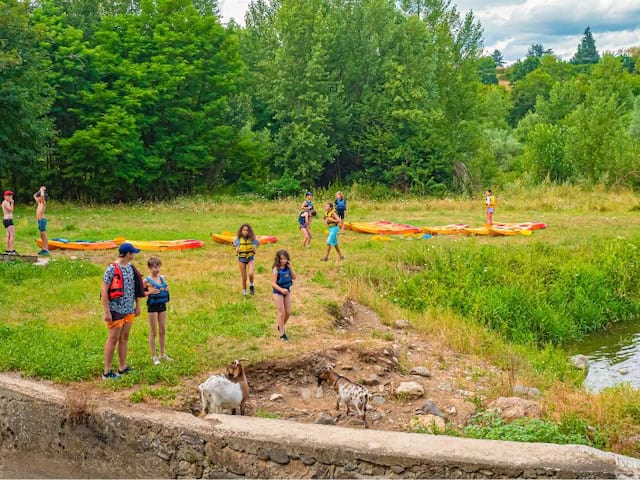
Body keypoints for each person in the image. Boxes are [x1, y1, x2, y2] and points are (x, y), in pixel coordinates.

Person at [100, 242, 145, 380]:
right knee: (113, 339)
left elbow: (137, 287)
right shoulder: (111, 269)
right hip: (115, 310)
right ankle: (107, 372)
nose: (134, 255)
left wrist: (137, 305)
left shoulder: (131, 267)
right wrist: (107, 312)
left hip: (128, 309)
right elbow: (104, 291)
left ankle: (122, 367)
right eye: (133, 253)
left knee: (124, 338)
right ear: (127, 254)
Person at [144, 256, 172, 366]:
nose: (156, 269)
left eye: (158, 266)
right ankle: (153, 356)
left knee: (163, 330)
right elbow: (141, 294)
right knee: (153, 331)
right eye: (154, 267)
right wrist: (150, 292)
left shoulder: (162, 278)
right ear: (149, 268)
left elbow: (165, 288)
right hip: (152, 307)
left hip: (162, 305)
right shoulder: (146, 281)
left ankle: (162, 353)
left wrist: (167, 289)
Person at [271, 250, 296, 341]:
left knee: (288, 312)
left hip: (286, 291)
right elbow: (273, 283)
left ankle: (280, 325)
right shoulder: (276, 269)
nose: (283, 261)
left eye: (285, 259)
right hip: (278, 292)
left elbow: (294, 277)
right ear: (278, 259)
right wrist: (281, 290)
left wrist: (291, 267)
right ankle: (282, 333)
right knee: (282, 312)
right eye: (281, 259)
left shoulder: (288, 268)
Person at [233, 223, 260, 297]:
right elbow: (234, 246)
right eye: (244, 230)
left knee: (251, 273)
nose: (245, 232)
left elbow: (258, 244)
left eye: (247, 230)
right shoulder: (238, 240)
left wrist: (255, 248)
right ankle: (244, 292)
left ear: (249, 231)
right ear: (241, 231)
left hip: (250, 258)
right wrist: (236, 249)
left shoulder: (252, 239)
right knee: (244, 277)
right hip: (241, 259)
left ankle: (251, 285)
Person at [34, 186, 49, 255]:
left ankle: (46, 249)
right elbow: (34, 195)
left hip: (42, 220)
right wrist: (39, 191)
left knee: (44, 235)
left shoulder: (43, 203)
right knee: (41, 235)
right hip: (39, 221)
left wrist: (41, 190)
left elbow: (42, 196)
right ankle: (43, 249)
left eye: (39, 196)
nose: (38, 197)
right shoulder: (39, 203)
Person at [2, 190, 16, 255]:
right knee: (12, 235)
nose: (11, 197)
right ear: (5, 196)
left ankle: (8, 250)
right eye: (9, 196)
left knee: (8, 235)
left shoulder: (5, 202)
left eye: (11, 196)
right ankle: (11, 250)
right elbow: (11, 210)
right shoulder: (6, 202)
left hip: (6, 220)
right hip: (8, 220)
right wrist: (12, 203)